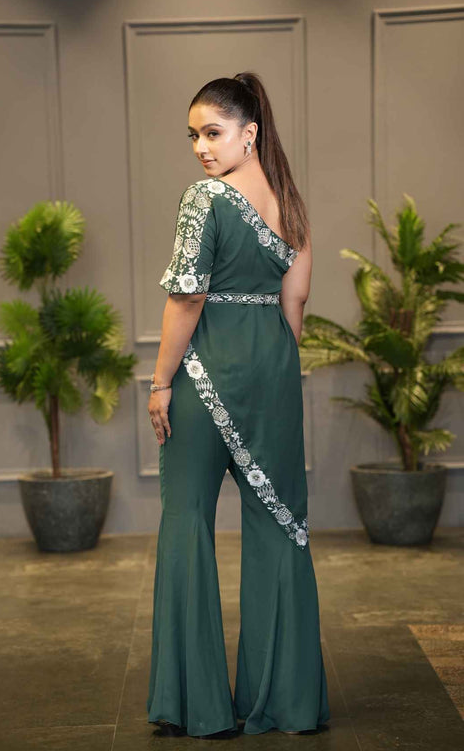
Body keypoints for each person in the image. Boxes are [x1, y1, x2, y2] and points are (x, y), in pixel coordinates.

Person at [146, 71, 330, 739]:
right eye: (193, 135)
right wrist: (268, 370)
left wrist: (160, 382)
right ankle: (287, 703)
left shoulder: (204, 199)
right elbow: (294, 304)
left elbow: (188, 296)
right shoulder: (292, 206)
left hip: (202, 376)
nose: (200, 147)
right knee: (280, 529)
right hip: (273, 379)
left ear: (249, 134)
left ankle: (194, 706)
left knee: (186, 521)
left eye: (213, 132)